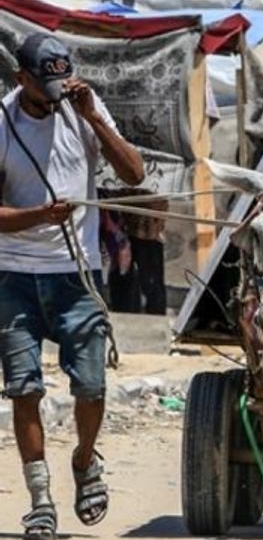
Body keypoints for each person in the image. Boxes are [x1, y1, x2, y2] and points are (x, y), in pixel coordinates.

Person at [1, 33, 145, 540]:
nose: (57, 92)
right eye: (46, 84)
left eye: (62, 80)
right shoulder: (2, 122)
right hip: (14, 277)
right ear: (22, 80)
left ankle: (85, 461)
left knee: (90, 386)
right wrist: (39, 215)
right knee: (25, 389)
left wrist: (94, 120)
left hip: (77, 274)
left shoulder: (83, 108)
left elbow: (133, 174)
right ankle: (40, 499)